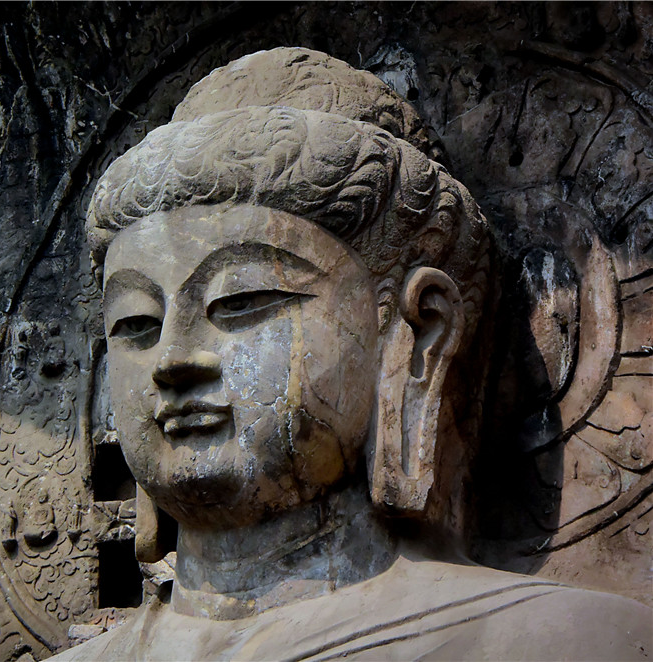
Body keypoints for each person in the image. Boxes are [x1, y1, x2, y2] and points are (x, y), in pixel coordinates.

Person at [51, 48, 651, 661]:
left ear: (420, 332)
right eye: (135, 323)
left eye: (243, 301)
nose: (172, 359)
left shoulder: (570, 643)